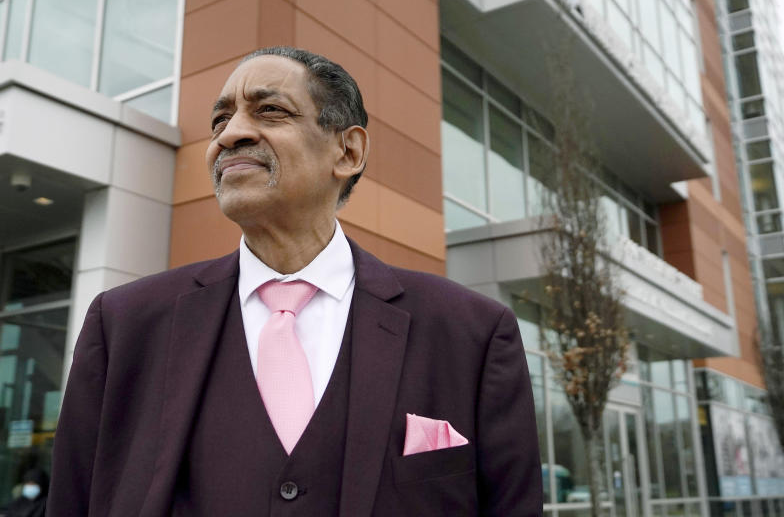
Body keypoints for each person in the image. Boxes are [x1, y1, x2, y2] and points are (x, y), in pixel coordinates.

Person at [47, 46, 543, 516]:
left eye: (270, 111)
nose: (229, 135)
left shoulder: (471, 332)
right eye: (220, 120)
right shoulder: (125, 324)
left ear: (348, 151)